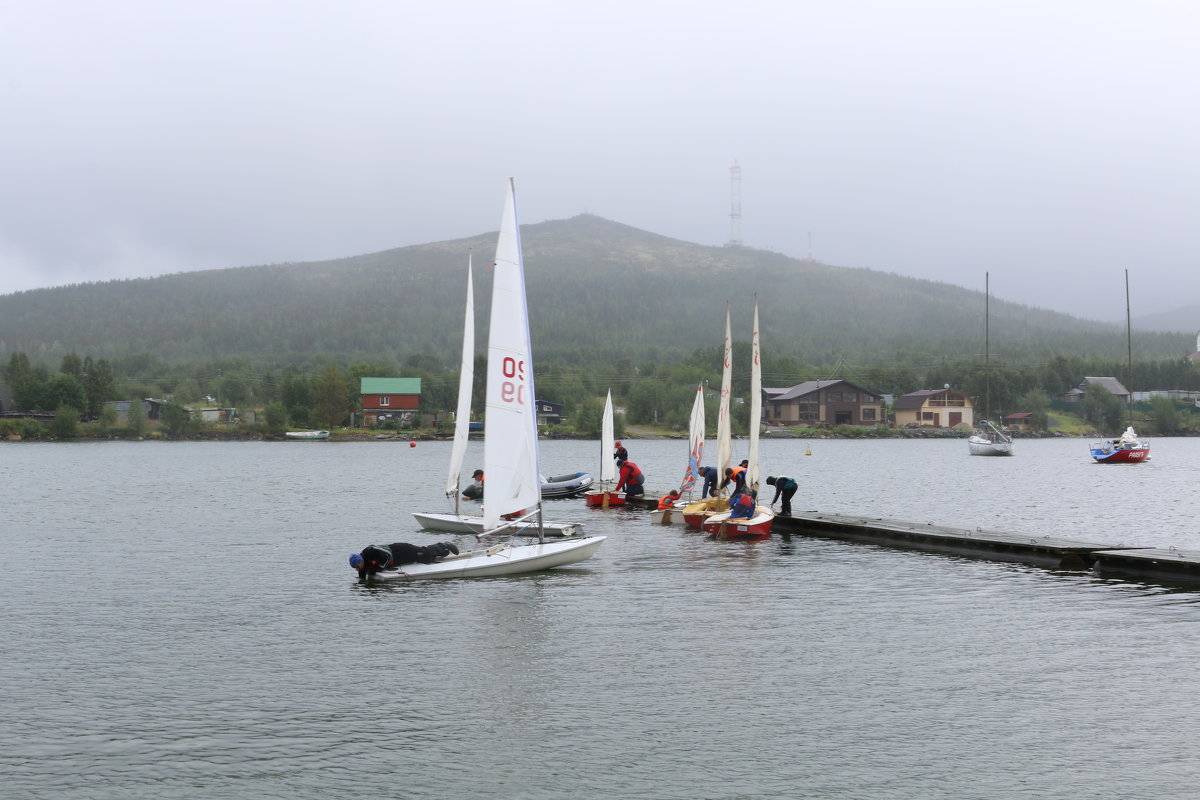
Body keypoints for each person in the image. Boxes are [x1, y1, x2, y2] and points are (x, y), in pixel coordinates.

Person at [349, 541, 459, 577]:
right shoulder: (362, 566)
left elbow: (386, 555)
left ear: (361, 561)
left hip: (401, 550)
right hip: (400, 559)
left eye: (357, 566)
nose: (357, 569)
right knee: (426, 560)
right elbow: (362, 578)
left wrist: (379, 568)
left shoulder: (370, 551)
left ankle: (444, 545)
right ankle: (444, 552)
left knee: (425, 553)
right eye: (354, 568)